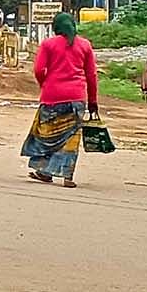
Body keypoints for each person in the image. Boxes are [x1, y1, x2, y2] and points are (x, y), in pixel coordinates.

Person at [23, 12, 99, 187]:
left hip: (52, 95)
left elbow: (39, 70)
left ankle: (44, 171)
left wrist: (45, 84)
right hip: (77, 97)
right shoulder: (85, 45)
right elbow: (91, 75)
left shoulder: (48, 44)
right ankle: (67, 176)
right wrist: (93, 100)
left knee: (47, 134)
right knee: (71, 137)